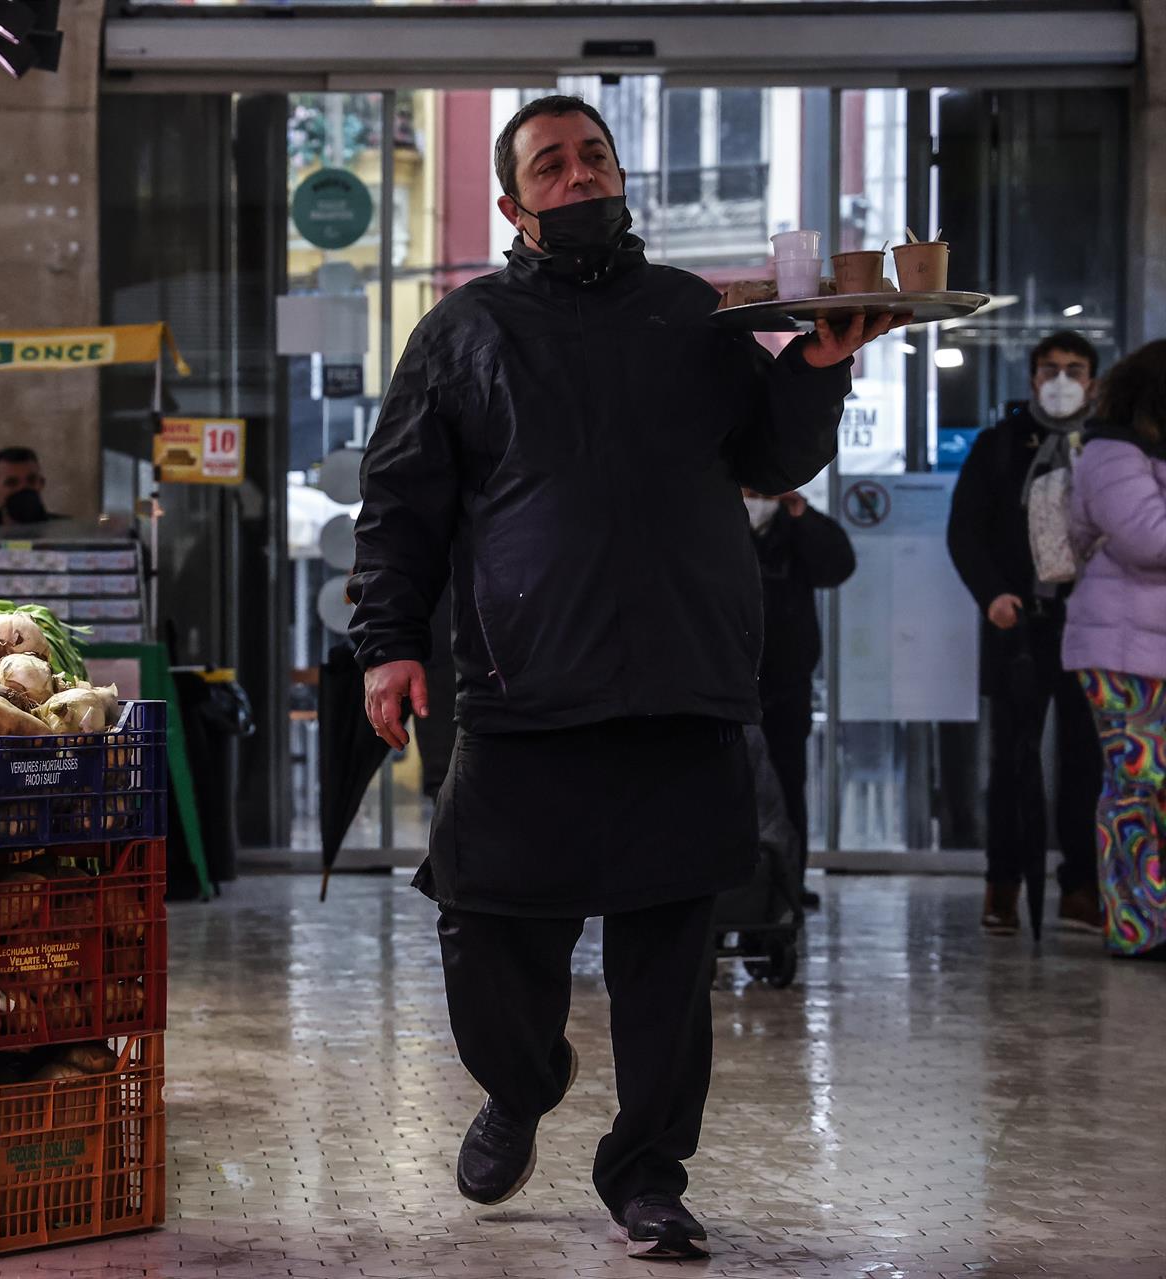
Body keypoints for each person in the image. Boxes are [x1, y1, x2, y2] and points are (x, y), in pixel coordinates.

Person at [348, 94, 895, 1261]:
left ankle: (648, 1176)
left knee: (666, 959)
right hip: (521, 689)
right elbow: (401, 502)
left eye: (594, 154)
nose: (580, 174)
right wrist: (387, 640)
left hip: (681, 685)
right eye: (551, 163)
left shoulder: (693, 313)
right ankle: (522, 1079)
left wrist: (817, 368)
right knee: (486, 926)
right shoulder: (465, 331)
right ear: (512, 203)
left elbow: (772, 455)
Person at [946, 331, 1104, 937]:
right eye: (1049, 369)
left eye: (1074, 369)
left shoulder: (1110, 447)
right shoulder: (1000, 444)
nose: (1061, 379)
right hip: (1017, 627)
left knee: (1086, 761)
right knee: (1012, 762)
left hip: (1089, 624)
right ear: (1033, 376)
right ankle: (1003, 886)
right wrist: (992, 596)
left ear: (1092, 380)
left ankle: (1081, 886)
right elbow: (965, 532)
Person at [1061, 339, 1166, 958]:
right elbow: (1150, 539)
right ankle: (1137, 927)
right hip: (1123, 653)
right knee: (1137, 787)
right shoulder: (1111, 453)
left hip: (1147, 648)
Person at [745, 487, 856, 909]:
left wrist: (800, 514)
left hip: (785, 686)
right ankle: (732, 888)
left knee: (789, 787)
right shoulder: (716, 524)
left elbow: (838, 565)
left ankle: (786, 882)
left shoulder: (795, 529)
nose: (757, 500)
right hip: (729, 683)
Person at [0, 446, 73, 541]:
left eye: (31, 480)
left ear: (41, 484)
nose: (23, 488)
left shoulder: (70, 533)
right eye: (12, 483)